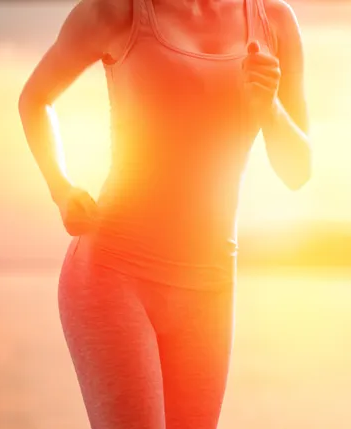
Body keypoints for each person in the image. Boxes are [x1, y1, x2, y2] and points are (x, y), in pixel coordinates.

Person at [18, 0, 311, 427]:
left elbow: (298, 171)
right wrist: (61, 189)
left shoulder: (274, 22)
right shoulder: (117, 13)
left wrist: (271, 107)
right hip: (115, 274)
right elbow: (35, 99)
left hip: (209, 286)